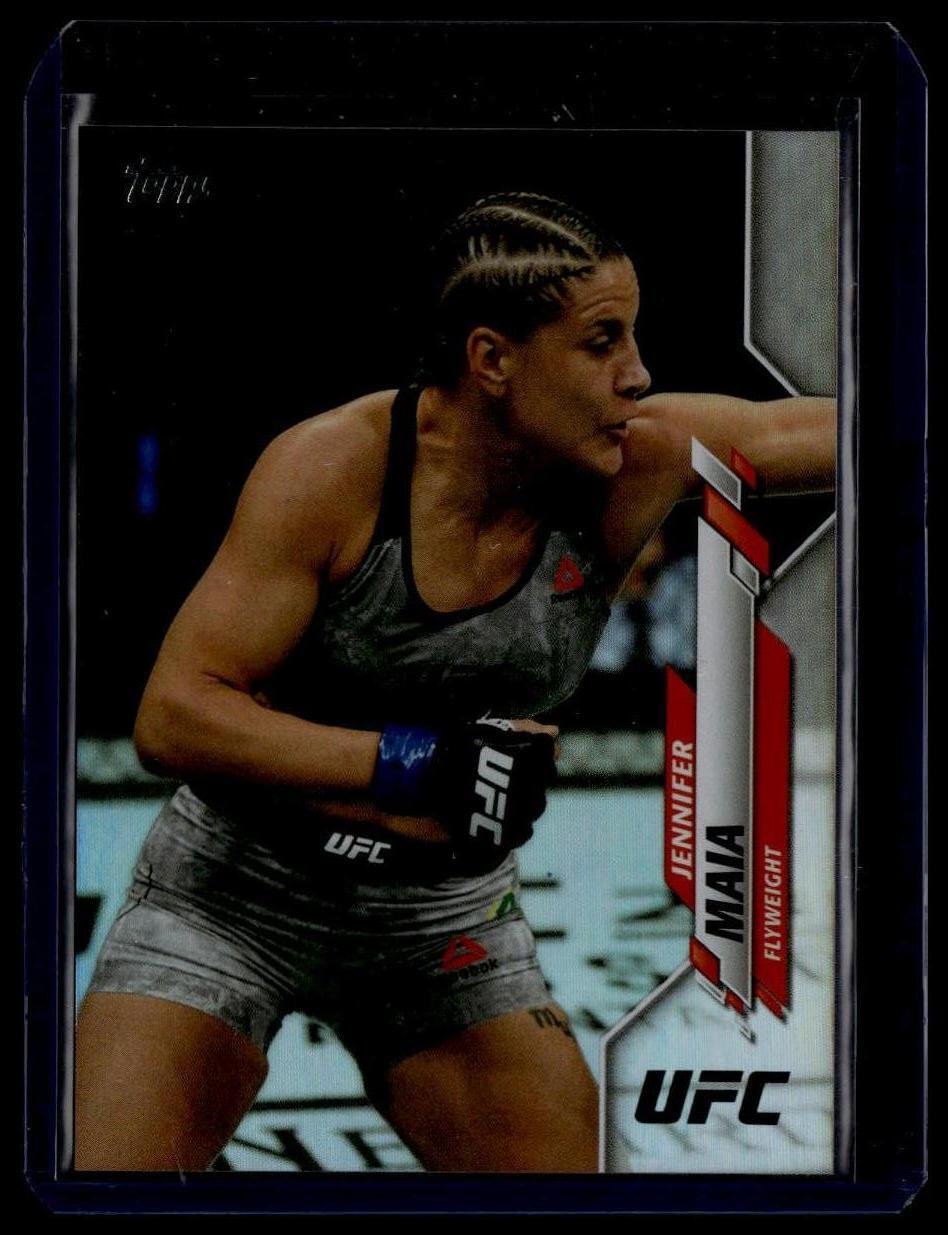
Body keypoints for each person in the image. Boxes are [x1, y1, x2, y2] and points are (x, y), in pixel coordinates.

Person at [75, 191, 835, 1172]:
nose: (638, 373)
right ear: (492, 359)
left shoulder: (635, 459)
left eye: (633, 336)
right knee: (112, 1191)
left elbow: (833, 432)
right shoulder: (335, 468)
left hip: (441, 924)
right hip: (233, 897)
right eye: (602, 341)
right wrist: (423, 764)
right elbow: (175, 715)